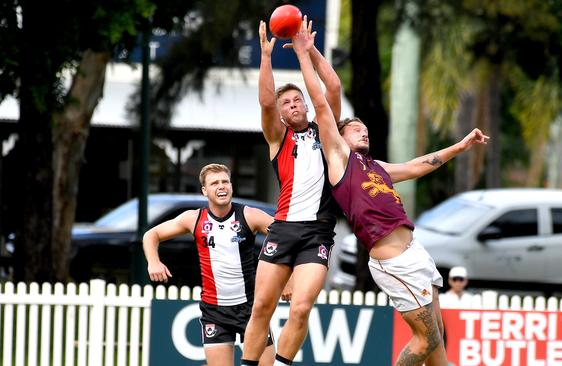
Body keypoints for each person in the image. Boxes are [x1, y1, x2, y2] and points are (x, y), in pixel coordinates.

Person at [289, 17, 489, 366]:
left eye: (365, 128)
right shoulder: (338, 158)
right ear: (339, 137)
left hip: (415, 252)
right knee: (426, 338)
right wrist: (306, 55)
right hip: (394, 261)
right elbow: (324, 100)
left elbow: (417, 166)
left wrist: (461, 145)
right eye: (355, 129)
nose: (363, 131)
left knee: (437, 338)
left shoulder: (377, 168)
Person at [240, 19, 343, 366]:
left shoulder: (326, 131)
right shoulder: (277, 138)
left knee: (300, 307)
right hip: (282, 228)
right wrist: (266, 58)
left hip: (317, 232)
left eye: (298, 99)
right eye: (288, 103)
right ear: (282, 115)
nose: (294, 104)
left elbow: (333, 87)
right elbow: (266, 102)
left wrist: (308, 51)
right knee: (261, 307)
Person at [143, 163, 276, 366]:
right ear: (205, 190)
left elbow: (284, 237)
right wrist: (154, 262)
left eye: (225, 182)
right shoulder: (194, 219)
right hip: (215, 311)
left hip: (251, 309)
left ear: (231, 186)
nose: (221, 186)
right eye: (214, 183)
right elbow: (151, 235)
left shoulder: (249, 215)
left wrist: (290, 277)